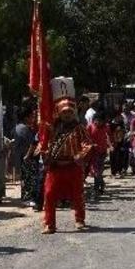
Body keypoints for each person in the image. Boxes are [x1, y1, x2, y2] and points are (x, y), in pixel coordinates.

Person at [39, 98, 93, 234]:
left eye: (69, 112)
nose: (67, 115)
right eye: (64, 112)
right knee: (49, 194)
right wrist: (45, 153)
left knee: (77, 194)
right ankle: (49, 224)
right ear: (59, 113)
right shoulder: (52, 128)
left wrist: (80, 155)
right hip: (55, 166)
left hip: (72, 166)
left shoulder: (79, 128)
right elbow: (44, 144)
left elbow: (88, 144)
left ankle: (79, 219)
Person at [15, 108, 39, 206]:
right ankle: (28, 198)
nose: (33, 119)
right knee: (29, 178)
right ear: (26, 118)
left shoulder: (18, 127)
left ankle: (27, 197)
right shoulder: (25, 128)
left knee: (26, 178)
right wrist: (28, 156)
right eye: (32, 116)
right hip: (27, 157)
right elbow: (32, 143)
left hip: (22, 156)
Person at [87, 112, 112, 195]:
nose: (98, 122)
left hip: (102, 152)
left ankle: (97, 187)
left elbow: (107, 137)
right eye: (97, 120)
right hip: (93, 152)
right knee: (95, 171)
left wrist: (110, 146)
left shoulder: (106, 127)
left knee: (99, 171)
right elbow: (86, 138)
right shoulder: (90, 127)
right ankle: (99, 186)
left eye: (100, 121)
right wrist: (91, 144)